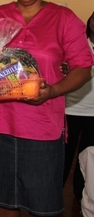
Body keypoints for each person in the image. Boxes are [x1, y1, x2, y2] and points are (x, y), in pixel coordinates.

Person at [0, 0, 93, 217]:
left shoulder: (63, 18)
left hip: (42, 128)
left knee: (42, 203)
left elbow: (83, 68)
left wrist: (52, 90)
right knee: (4, 199)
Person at [63, 11, 94, 201]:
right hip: (71, 108)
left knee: (87, 157)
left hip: (93, 112)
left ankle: (81, 194)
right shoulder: (76, 45)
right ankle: (55, 190)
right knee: (65, 154)